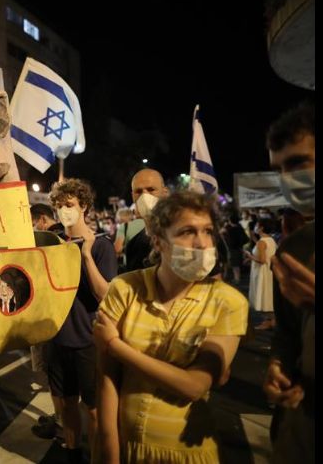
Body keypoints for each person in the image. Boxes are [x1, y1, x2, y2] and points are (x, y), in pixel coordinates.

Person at [95, 190, 248, 463]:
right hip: (126, 447)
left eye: (208, 231)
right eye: (187, 231)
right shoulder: (125, 288)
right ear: (158, 242)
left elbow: (194, 386)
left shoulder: (228, 302)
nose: (202, 243)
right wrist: (109, 451)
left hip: (187, 455)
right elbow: (107, 380)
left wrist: (116, 346)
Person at [35, 178, 117, 459]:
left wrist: (86, 257)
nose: (63, 210)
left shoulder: (102, 245)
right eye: (58, 205)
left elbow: (104, 294)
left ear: (84, 206)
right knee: (66, 403)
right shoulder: (52, 244)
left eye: (69, 204)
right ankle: (72, 451)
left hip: (88, 339)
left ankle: (95, 457)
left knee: (93, 408)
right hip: (56, 338)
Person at [261, 101, 315, 464]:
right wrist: (279, 366)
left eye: (297, 163)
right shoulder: (295, 247)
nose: (288, 178)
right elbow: (288, 334)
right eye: (280, 169)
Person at [123, 169, 169, 272]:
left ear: (165, 193)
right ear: (132, 196)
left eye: (151, 189)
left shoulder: (181, 237)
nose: (144, 196)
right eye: (138, 192)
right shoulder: (133, 245)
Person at [245, 218, 277, 329]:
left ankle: (271, 320)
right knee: (268, 295)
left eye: (257, 225)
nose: (255, 227)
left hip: (262, 272)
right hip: (269, 271)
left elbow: (262, 260)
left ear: (261, 227)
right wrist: (254, 239)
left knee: (263, 295)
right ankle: (270, 321)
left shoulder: (262, 242)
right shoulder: (270, 239)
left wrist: (249, 256)